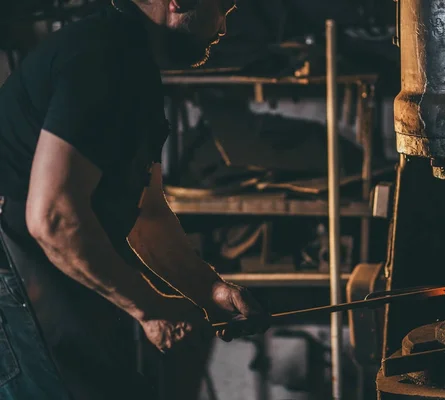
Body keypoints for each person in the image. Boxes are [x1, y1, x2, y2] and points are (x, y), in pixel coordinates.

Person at [0, 0, 268, 399]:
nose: (223, 28)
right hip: (17, 295)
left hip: (46, 287)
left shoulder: (130, 63)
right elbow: (54, 217)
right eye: (220, 9)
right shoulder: (103, 57)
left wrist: (208, 290)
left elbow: (148, 215)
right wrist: (151, 308)